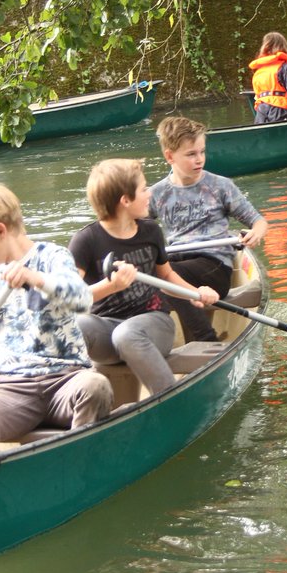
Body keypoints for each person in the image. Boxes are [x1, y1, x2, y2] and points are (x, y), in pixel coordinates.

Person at [0, 182, 113, 457]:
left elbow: (82, 299)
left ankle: (77, 466)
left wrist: (35, 279)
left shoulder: (53, 257)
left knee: (96, 386)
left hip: (65, 381)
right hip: (13, 390)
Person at [69, 158, 219, 395]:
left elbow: (166, 276)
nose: (150, 194)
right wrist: (111, 286)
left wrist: (196, 293)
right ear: (125, 201)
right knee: (75, 324)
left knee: (127, 334)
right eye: (143, 189)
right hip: (106, 331)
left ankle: (170, 401)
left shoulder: (150, 230)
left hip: (154, 323)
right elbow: (70, 298)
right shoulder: (85, 241)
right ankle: (68, 398)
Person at [149, 116, 268, 343]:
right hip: (178, 263)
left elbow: (258, 221)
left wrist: (256, 233)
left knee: (163, 276)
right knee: (150, 274)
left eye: (202, 152)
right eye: (191, 154)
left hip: (213, 265)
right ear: (169, 156)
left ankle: (205, 340)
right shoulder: (156, 194)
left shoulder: (220, 186)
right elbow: (132, 230)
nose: (199, 159)